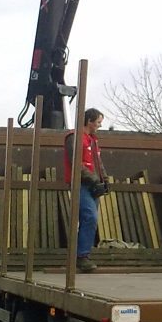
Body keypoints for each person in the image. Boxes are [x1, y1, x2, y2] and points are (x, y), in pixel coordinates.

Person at [64, 108, 107, 273]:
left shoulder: (92, 140)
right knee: (90, 217)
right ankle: (82, 256)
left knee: (90, 219)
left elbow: (97, 162)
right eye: (98, 122)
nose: (99, 126)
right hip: (81, 184)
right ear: (89, 121)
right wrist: (94, 179)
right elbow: (76, 163)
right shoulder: (74, 138)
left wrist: (104, 179)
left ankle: (83, 255)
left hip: (92, 185)